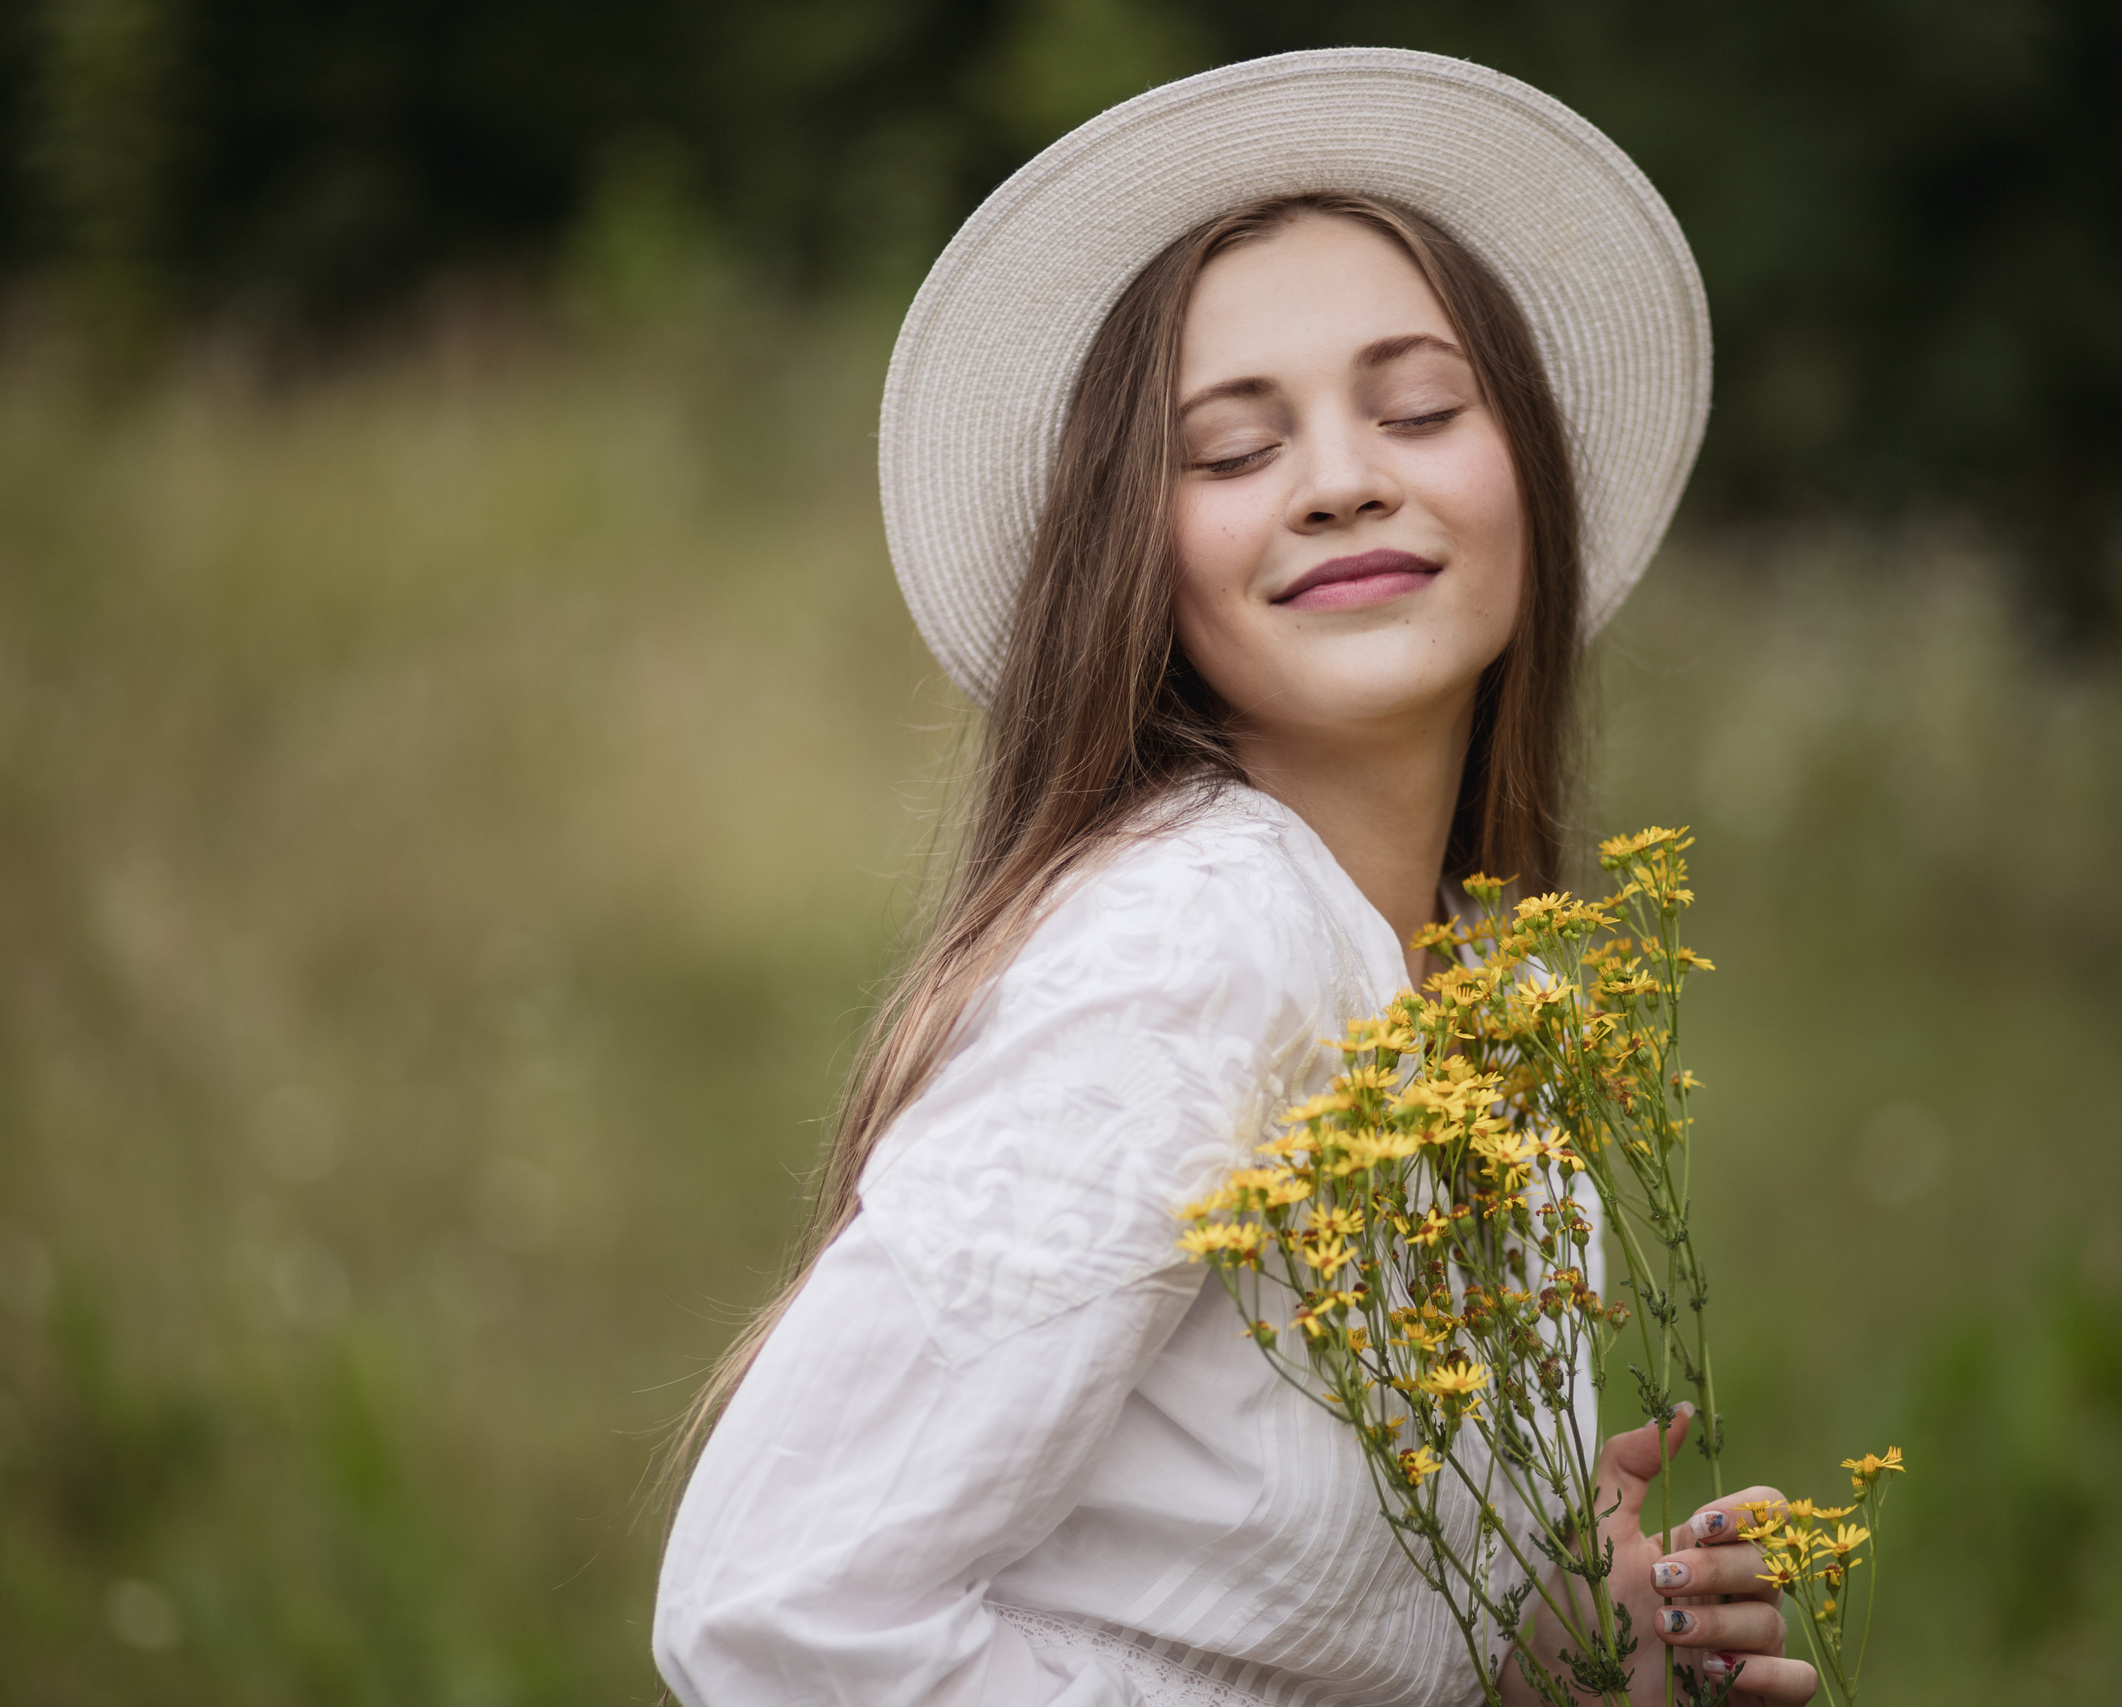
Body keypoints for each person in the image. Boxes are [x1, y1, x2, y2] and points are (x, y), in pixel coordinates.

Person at [655, 49, 1819, 1707]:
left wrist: (1574, 1638)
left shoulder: (1485, 989)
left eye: (1420, 410)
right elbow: (773, 1612)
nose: (1342, 480)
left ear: (1531, 477)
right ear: (1138, 558)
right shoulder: (1198, 943)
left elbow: (1253, 1615)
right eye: (1229, 450)